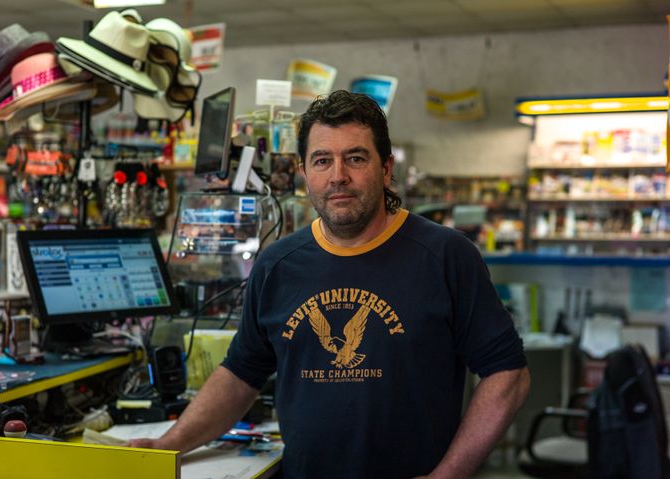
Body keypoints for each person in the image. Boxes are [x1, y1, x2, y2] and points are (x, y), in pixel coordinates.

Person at [129, 90, 531, 479]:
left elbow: (507, 375)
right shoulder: (276, 265)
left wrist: (448, 476)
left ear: (386, 168)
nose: (338, 176)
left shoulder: (445, 255)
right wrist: (169, 445)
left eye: (355, 158)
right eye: (322, 160)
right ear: (304, 172)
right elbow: (240, 375)